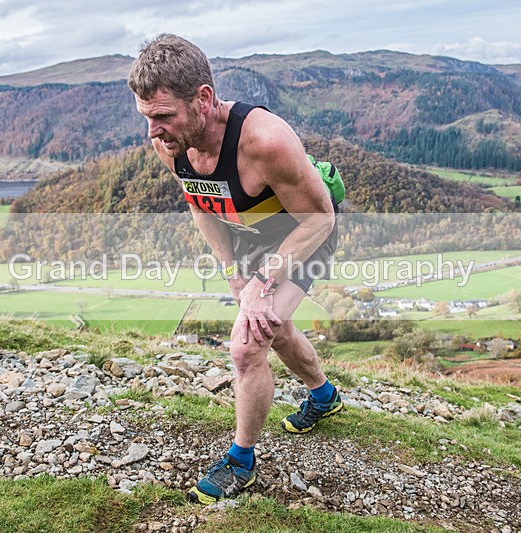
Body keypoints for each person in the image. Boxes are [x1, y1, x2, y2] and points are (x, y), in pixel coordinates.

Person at [128, 34, 343, 503]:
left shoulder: (265, 141)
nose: (153, 133)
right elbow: (200, 203)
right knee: (274, 329)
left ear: (203, 98)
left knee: (247, 347)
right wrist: (235, 275)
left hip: (303, 233)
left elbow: (320, 219)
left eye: (163, 116)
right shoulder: (173, 143)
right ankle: (324, 396)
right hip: (249, 236)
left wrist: (264, 282)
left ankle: (240, 462)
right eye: (146, 118)